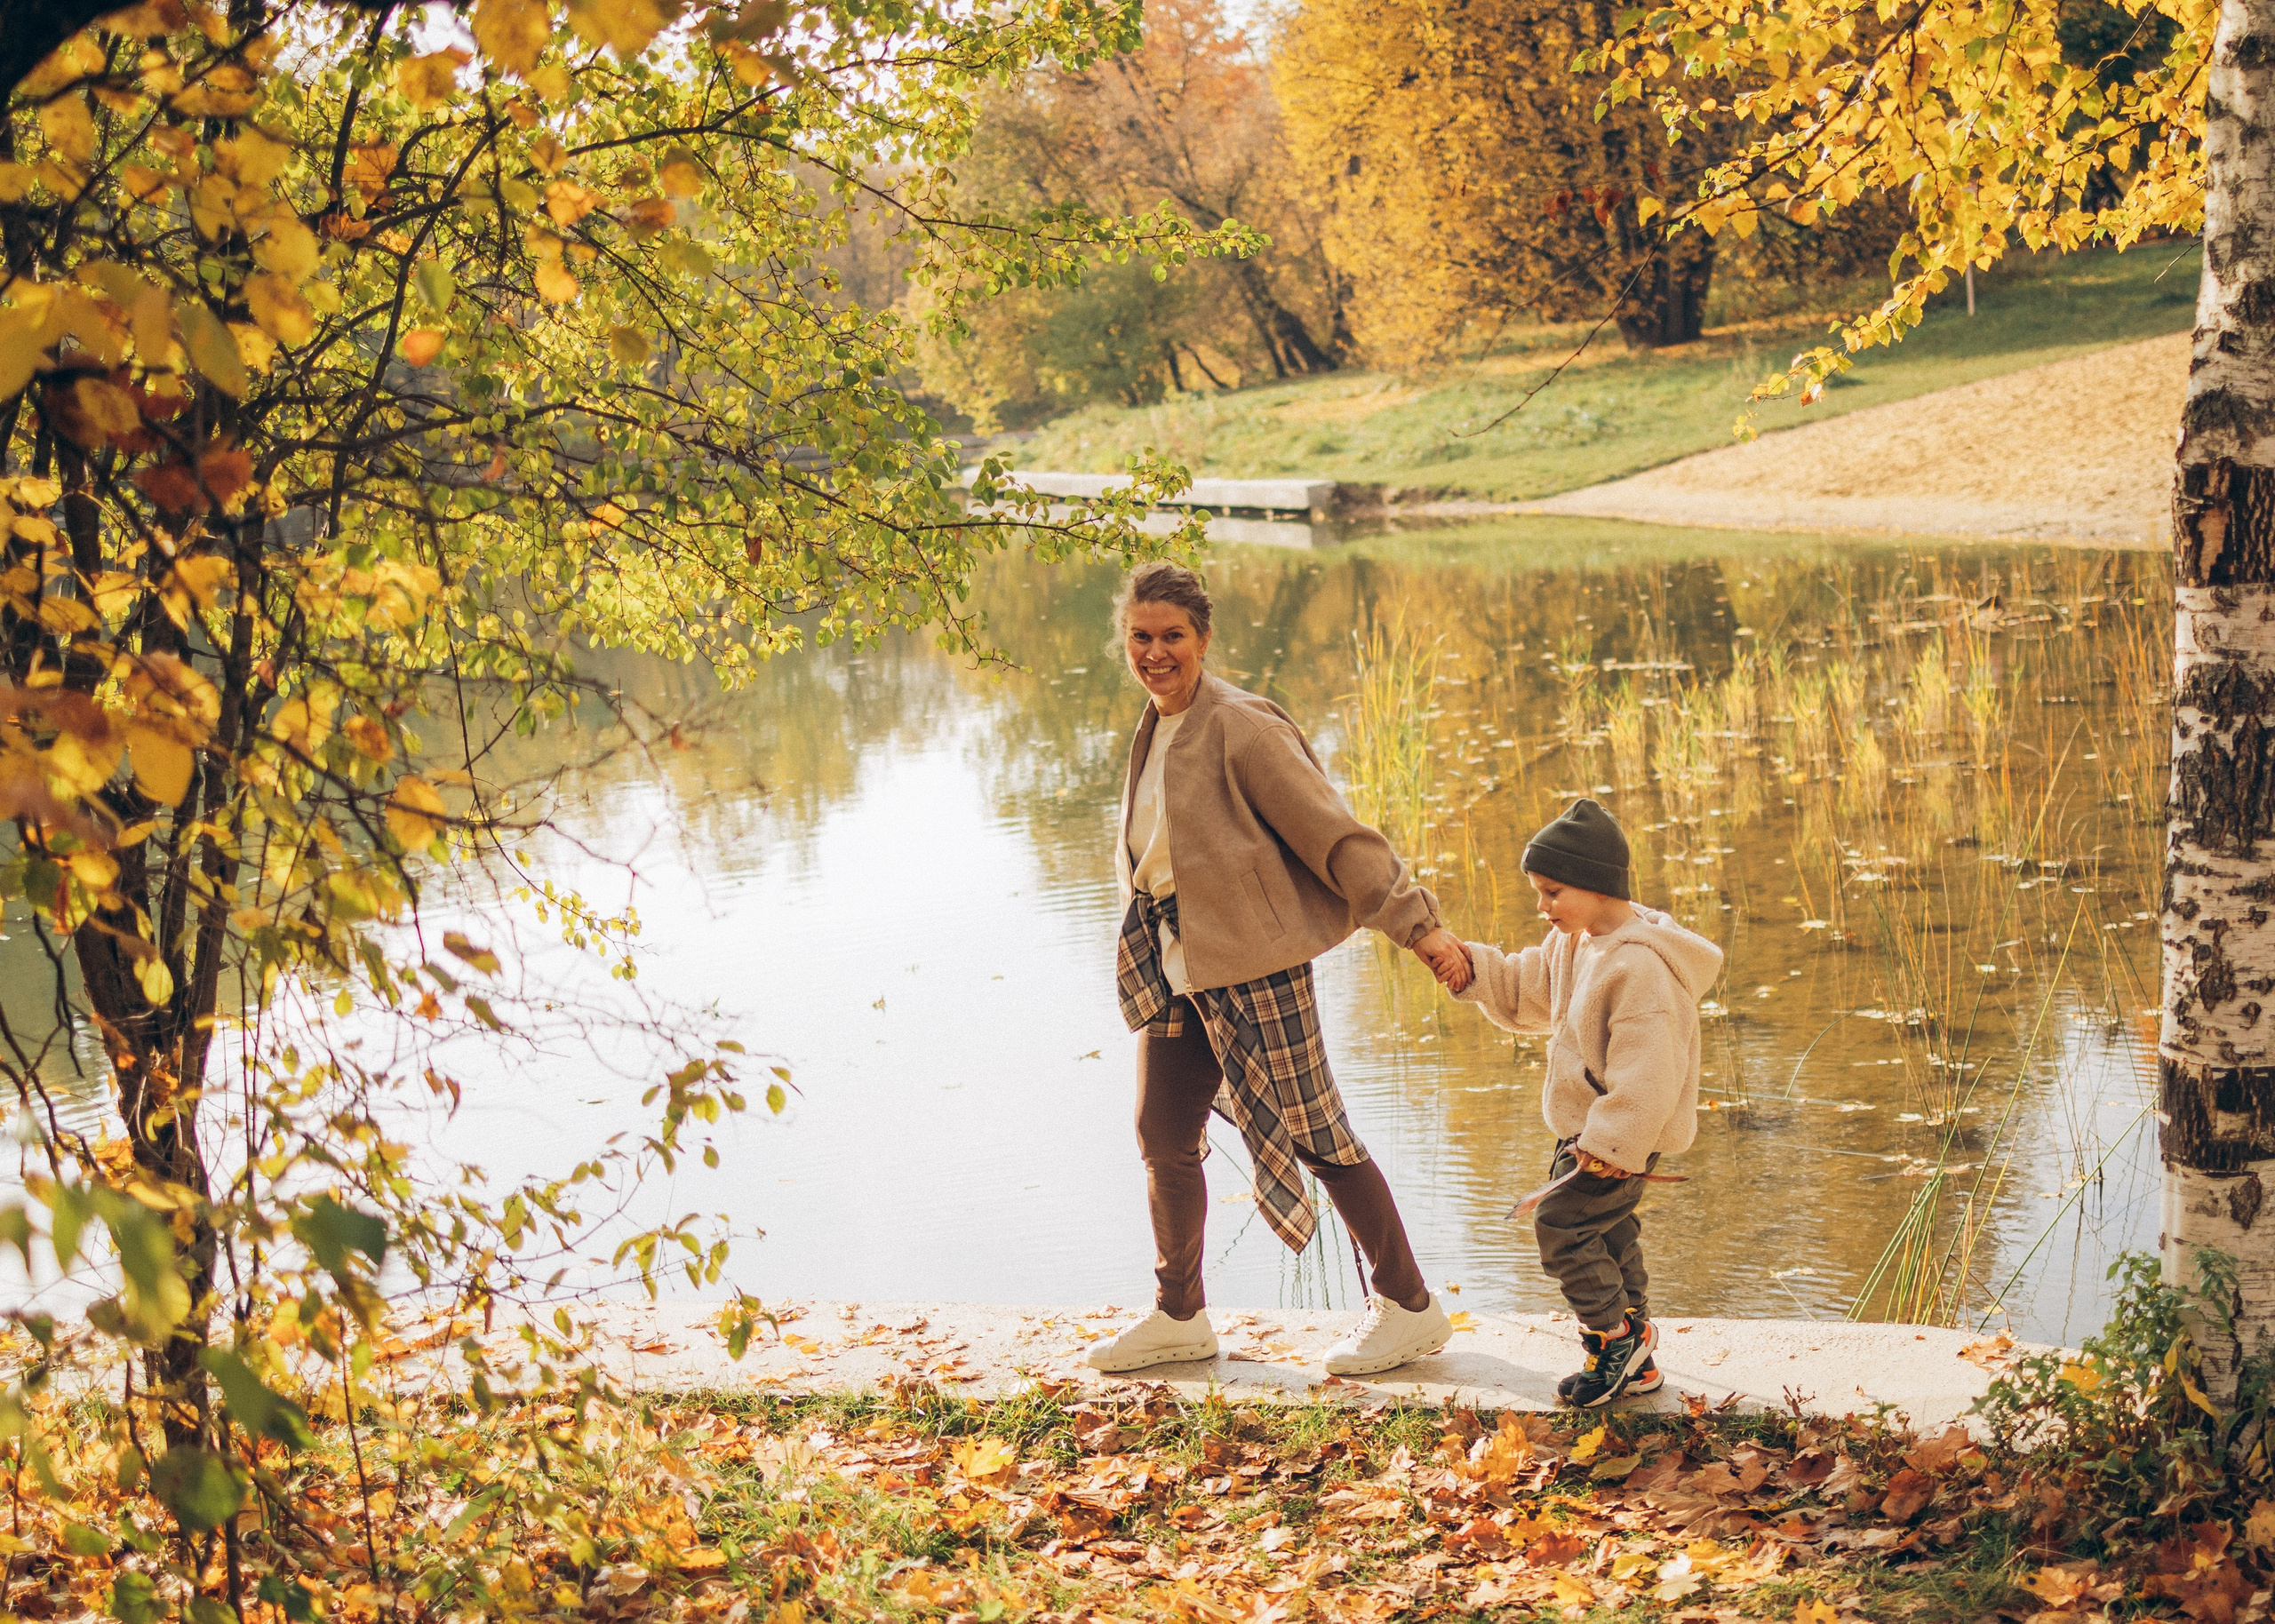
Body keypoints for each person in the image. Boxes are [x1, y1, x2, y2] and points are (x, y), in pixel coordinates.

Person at [1089, 561, 1474, 1378]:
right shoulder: (1155, 722)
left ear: (1204, 640)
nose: (1155, 653)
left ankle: (1408, 1305)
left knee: (1317, 1132)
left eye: (1172, 638)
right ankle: (1179, 1315)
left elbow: (1334, 836)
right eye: (1141, 637)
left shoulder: (1241, 725)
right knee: (1163, 1133)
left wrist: (1419, 926)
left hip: (1253, 968)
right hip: (1174, 963)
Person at [1433, 797, 1722, 1407]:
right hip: (1588, 1134)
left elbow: (1651, 1073)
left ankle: (1614, 1342)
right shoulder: (1578, 941)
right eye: (1540, 892)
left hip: (1616, 1139)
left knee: (1561, 1228)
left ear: (1595, 885)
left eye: (1552, 892)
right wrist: (1472, 969)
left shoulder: (1640, 968)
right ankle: (1635, 1353)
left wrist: (1613, 1144)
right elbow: (1528, 986)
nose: (1543, 907)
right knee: (1610, 1232)